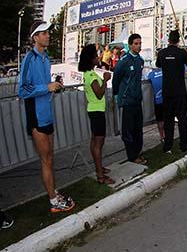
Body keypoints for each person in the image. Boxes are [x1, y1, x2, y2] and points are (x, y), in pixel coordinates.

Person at [19, 21, 75, 213]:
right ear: (35, 37)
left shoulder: (45, 58)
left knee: (50, 158)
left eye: (47, 33)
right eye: (43, 33)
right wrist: (46, 87)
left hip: (47, 114)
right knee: (46, 160)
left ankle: (53, 193)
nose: (48, 36)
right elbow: (23, 90)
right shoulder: (29, 58)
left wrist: (54, 85)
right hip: (36, 117)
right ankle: (53, 201)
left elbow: (42, 86)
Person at [78, 44, 115, 185]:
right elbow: (99, 94)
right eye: (95, 55)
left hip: (94, 110)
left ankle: (99, 168)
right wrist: (105, 80)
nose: (98, 57)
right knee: (98, 143)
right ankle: (100, 176)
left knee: (95, 141)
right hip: (96, 111)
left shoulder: (89, 74)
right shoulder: (91, 75)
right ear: (91, 59)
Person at [156, 30, 187, 153]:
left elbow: (158, 65)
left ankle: (168, 147)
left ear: (168, 40)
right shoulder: (182, 52)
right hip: (180, 91)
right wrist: (185, 53)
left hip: (167, 91)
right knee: (182, 119)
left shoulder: (162, 53)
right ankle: (184, 145)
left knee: (168, 120)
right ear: (178, 40)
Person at [112, 34, 146, 165]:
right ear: (130, 45)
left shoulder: (140, 61)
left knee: (138, 129)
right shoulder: (124, 60)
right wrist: (117, 94)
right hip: (127, 101)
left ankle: (137, 152)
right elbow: (116, 78)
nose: (138, 46)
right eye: (136, 43)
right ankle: (132, 156)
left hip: (137, 100)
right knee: (128, 130)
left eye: (140, 43)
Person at [147, 67, 165, 144]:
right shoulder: (165, 71)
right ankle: (167, 136)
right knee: (167, 119)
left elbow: (147, 80)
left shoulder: (151, 74)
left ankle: (162, 137)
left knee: (160, 120)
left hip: (158, 101)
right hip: (167, 99)